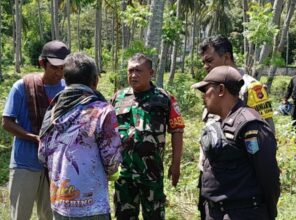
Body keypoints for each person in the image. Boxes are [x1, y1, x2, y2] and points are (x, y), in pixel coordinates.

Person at [197, 35, 275, 219]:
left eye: (210, 60)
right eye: (203, 62)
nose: (206, 66)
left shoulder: (250, 87)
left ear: (226, 57)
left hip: (240, 190)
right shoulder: (212, 87)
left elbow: (266, 140)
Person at [38, 52, 122, 219]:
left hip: (60, 201)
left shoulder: (53, 110)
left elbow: (42, 154)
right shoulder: (102, 110)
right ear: (95, 81)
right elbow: (112, 160)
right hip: (92, 206)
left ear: (65, 80)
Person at [111, 53, 185, 220]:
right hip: (124, 175)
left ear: (151, 73)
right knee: (124, 216)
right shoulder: (118, 97)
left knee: (154, 216)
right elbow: (109, 131)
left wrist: (176, 164)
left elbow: (177, 130)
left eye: (138, 71)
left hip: (152, 173)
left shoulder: (164, 98)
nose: (133, 75)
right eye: (130, 71)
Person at [2, 40, 70, 220]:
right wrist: (33, 137)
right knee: (20, 215)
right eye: (55, 67)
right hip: (25, 163)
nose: (59, 72)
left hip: (53, 166)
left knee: (49, 215)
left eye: (63, 68)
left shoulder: (66, 90)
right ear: (42, 63)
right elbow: (7, 122)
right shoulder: (23, 87)